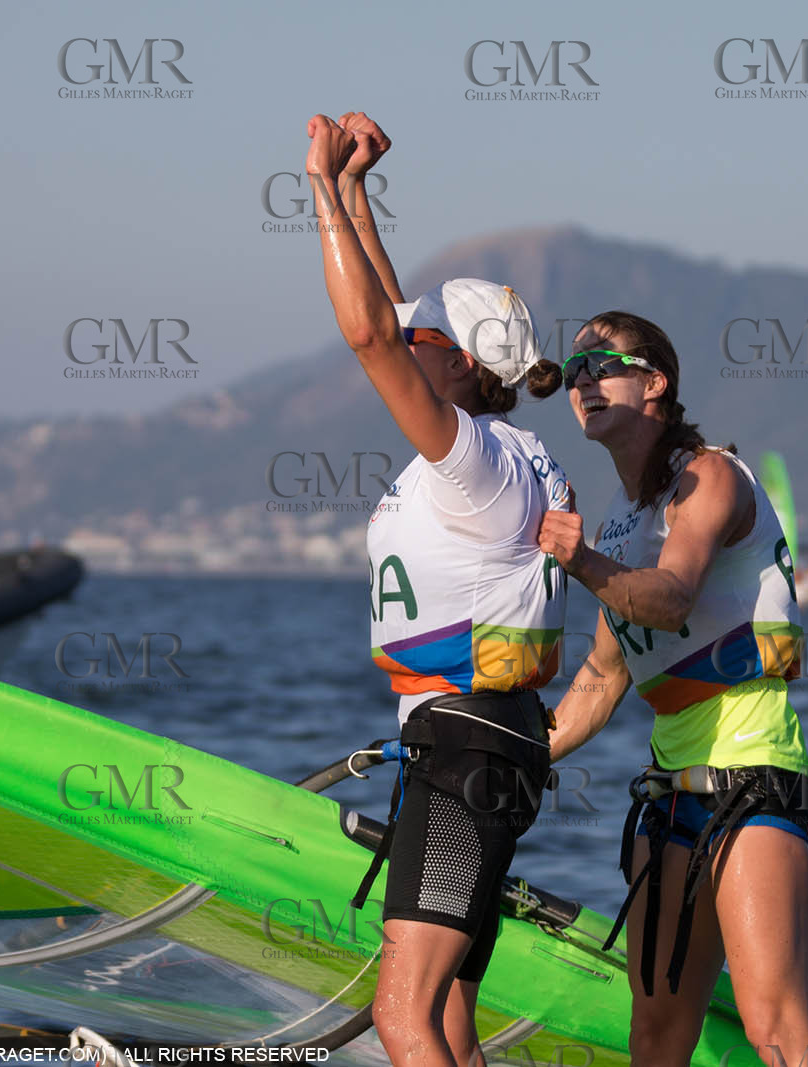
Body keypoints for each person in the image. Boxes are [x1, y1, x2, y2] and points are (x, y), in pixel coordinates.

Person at [307, 111, 572, 1067]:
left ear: (458, 362)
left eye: (420, 335)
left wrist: (315, 187)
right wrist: (356, 190)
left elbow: (369, 332)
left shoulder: (473, 463)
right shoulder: (506, 450)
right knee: (452, 1015)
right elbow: (392, 315)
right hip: (485, 742)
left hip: (466, 749)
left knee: (403, 1014)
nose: (402, 336)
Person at [535, 312, 808, 1067]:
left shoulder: (711, 476)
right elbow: (602, 678)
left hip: (751, 776)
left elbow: (671, 598)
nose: (582, 381)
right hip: (668, 797)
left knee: (775, 1029)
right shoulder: (621, 518)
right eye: (572, 372)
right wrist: (511, 751)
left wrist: (581, 562)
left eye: (601, 365)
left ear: (655, 382)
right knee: (655, 1040)